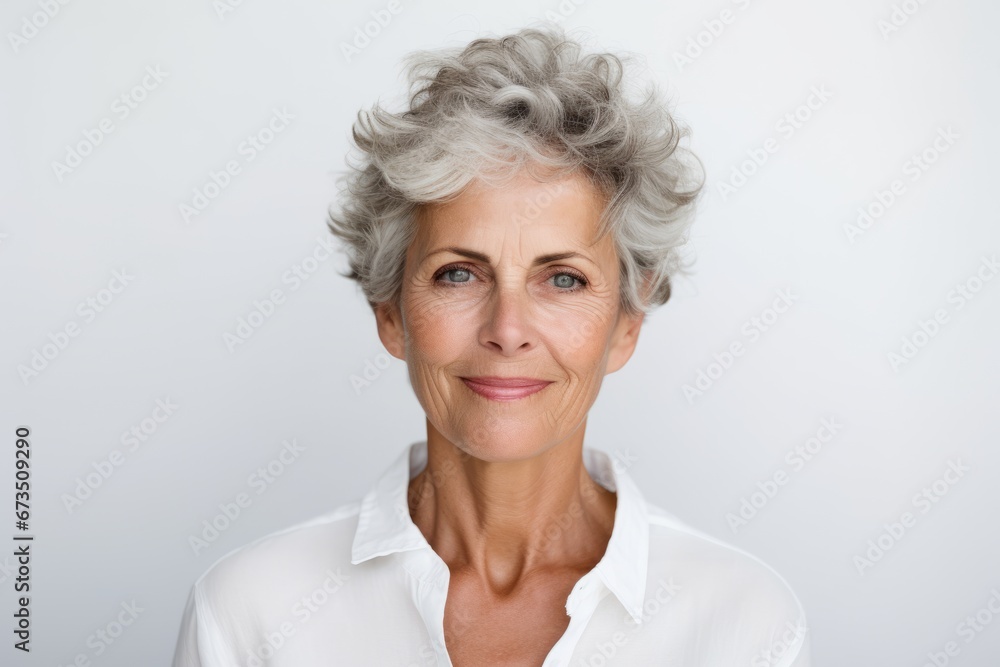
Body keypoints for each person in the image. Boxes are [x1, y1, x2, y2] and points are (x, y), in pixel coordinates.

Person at [171, 26, 809, 666]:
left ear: (626, 325)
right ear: (391, 314)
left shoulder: (744, 625)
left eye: (563, 278)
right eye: (458, 273)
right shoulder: (250, 612)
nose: (507, 329)